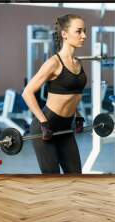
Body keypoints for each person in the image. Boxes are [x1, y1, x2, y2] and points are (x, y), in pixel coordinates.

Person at [22, 14, 87, 174]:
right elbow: (27, 92)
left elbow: (72, 94)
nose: (84, 35)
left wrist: (77, 115)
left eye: (84, 31)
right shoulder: (53, 63)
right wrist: (43, 123)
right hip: (46, 127)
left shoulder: (78, 63)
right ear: (64, 34)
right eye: (79, 31)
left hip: (65, 127)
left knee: (75, 174)